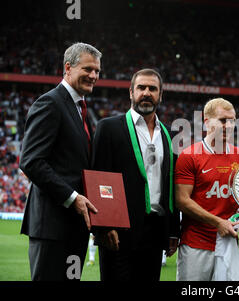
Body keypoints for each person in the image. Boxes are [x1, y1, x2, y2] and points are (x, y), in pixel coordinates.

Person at [19, 42, 101, 281]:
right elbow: (32, 161)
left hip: (75, 226)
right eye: (87, 69)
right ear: (68, 68)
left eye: (97, 71)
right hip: (52, 227)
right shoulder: (51, 103)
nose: (93, 76)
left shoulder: (80, 108)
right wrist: (72, 197)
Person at [91, 68, 180, 281]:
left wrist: (173, 230)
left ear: (160, 95)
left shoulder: (171, 134)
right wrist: (104, 225)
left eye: (152, 88)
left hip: (155, 231)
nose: (146, 93)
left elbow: (172, 184)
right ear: (131, 92)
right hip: (119, 232)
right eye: (141, 87)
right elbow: (98, 179)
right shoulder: (109, 127)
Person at [175, 98, 239, 281]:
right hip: (196, 244)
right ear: (206, 122)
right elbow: (182, 200)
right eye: (223, 120)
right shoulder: (189, 155)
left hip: (229, 241)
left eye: (232, 120)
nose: (229, 125)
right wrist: (217, 222)